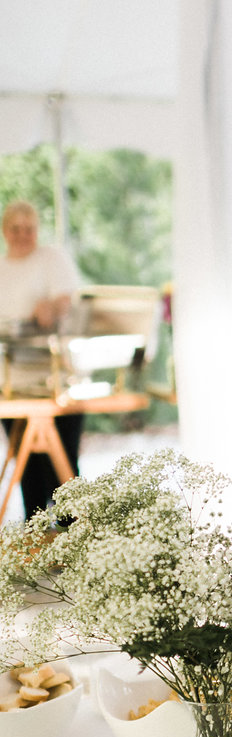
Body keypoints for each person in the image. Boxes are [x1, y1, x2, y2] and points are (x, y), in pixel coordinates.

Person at [0, 199, 83, 517]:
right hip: (13, 379)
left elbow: (68, 299)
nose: (23, 235)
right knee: (28, 466)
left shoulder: (51, 258)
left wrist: (51, 307)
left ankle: (74, 537)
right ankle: (36, 541)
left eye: (29, 229)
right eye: (16, 229)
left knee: (62, 465)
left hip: (55, 374)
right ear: (5, 231)